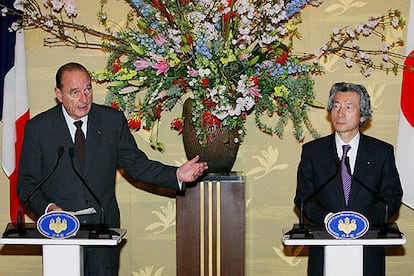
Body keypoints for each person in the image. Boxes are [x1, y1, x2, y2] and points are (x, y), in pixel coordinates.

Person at [17, 62, 208, 276]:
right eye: (75, 92)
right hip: (60, 232)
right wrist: (50, 209)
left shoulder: (111, 121)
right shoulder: (39, 128)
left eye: (88, 89)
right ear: (59, 94)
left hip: (103, 231)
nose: (83, 98)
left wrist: (176, 174)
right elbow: (27, 185)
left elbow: (137, 165)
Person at [294, 82, 403, 276]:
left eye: (348, 107)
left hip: (368, 250)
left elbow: (392, 197)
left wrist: (362, 222)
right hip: (324, 248)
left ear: (362, 115)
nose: (340, 113)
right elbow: (303, 198)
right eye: (336, 106)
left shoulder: (381, 152)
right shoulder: (313, 152)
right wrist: (330, 220)